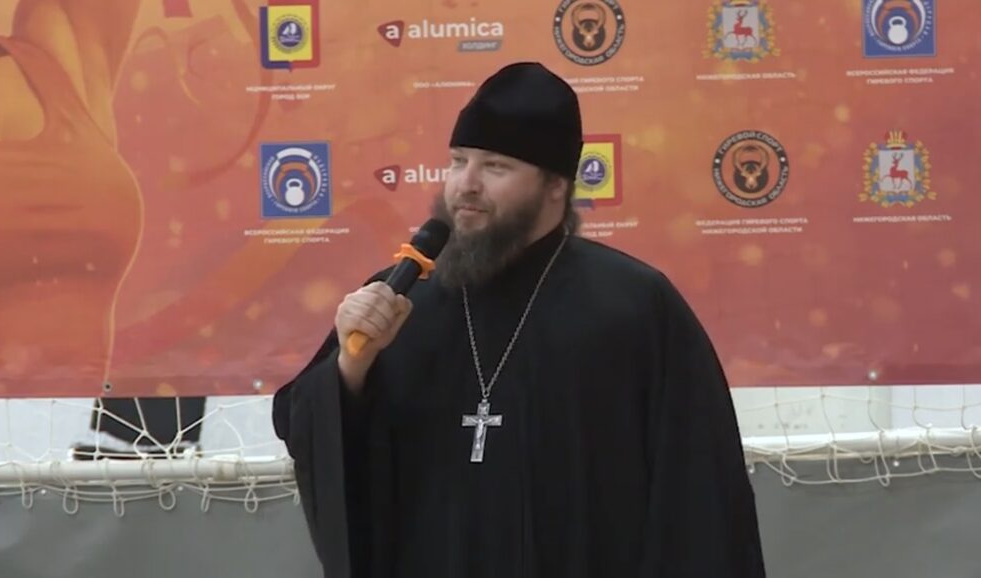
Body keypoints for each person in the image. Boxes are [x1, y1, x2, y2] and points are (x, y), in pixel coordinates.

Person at [273, 61, 765, 578]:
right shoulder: (402, 298)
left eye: (495, 167)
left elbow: (697, 492)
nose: (465, 185)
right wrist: (352, 367)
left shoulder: (633, 307)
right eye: (458, 161)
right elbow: (304, 426)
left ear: (555, 185)